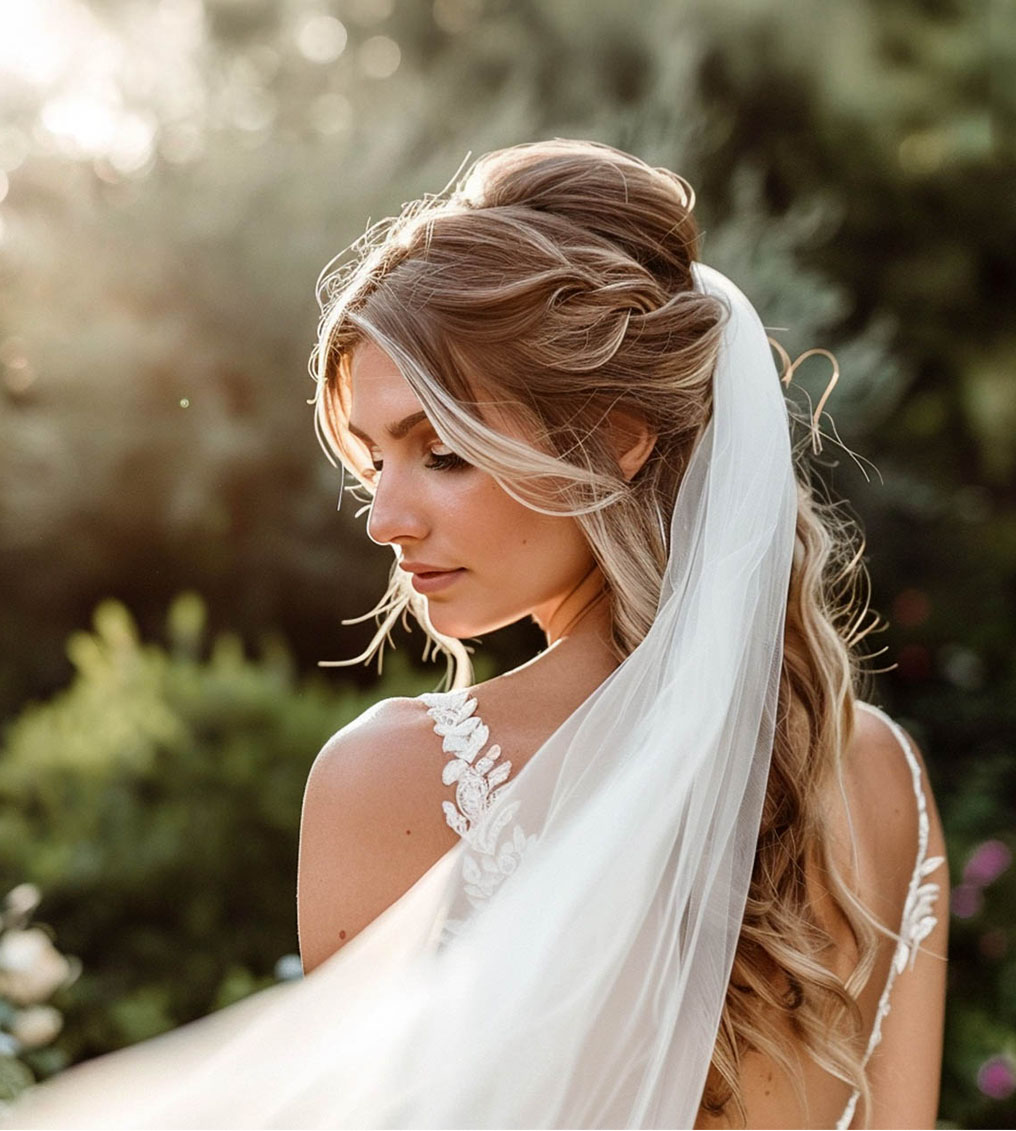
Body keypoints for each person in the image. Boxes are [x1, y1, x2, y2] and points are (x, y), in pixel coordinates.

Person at [8, 140, 948, 1130]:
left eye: (443, 452)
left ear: (619, 438)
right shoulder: (875, 773)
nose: (383, 518)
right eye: (374, 461)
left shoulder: (395, 779)